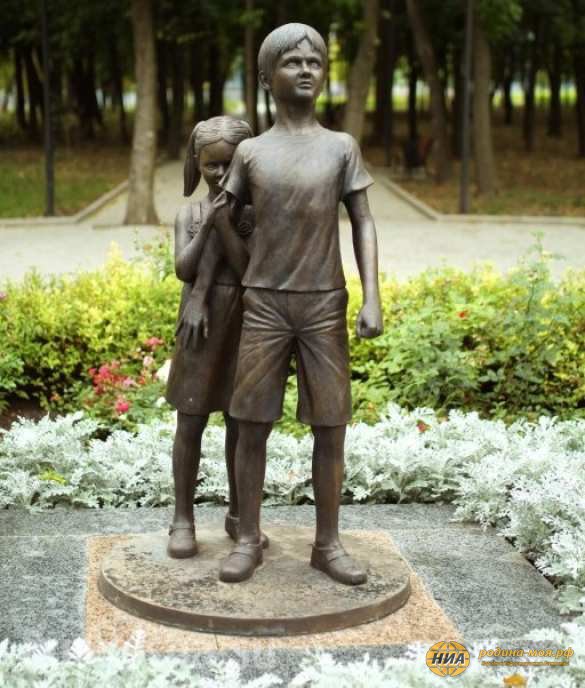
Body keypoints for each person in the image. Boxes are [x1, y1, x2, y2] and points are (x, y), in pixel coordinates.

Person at [215, 23, 383, 585]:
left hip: (324, 305)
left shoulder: (341, 147)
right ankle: (246, 538)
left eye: (315, 61)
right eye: (292, 62)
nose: (306, 69)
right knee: (251, 422)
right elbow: (223, 221)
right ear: (267, 78)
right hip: (263, 305)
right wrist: (231, 276)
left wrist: (372, 296)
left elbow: (363, 222)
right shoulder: (250, 152)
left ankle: (328, 544)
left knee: (331, 426)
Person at [165, 116, 267, 558]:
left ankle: (240, 515)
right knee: (190, 420)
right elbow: (184, 269)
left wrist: (226, 222)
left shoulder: (257, 216)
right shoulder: (188, 214)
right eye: (212, 166)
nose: (221, 174)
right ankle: (182, 518)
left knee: (239, 421)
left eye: (230, 165)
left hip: (243, 319)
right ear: (197, 164)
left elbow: (247, 270)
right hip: (198, 322)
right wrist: (210, 222)